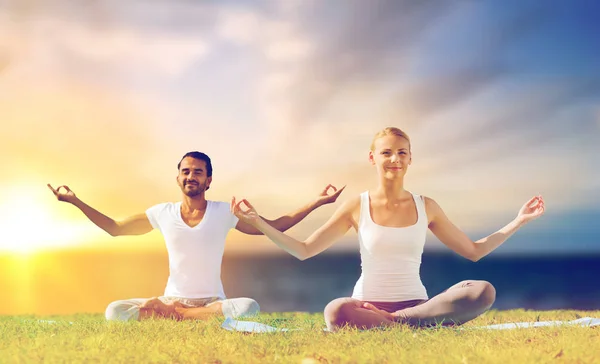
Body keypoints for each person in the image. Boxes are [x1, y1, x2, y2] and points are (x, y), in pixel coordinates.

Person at [231, 127, 545, 331]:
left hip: (418, 305)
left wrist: (518, 221)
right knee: (336, 311)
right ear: (372, 158)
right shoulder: (357, 205)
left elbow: (474, 252)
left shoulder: (427, 206)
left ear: (410, 159)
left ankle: (397, 322)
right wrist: (258, 222)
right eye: (386, 152)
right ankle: (415, 324)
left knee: (482, 290)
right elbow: (304, 250)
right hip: (366, 306)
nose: (394, 158)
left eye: (402, 152)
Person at [48, 151, 345, 321]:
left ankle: (175, 317)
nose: (192, 176)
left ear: (209, 180)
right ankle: (183, 315)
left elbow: (275, 226)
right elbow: (115, 227)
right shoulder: (162, 213)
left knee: (248, 308)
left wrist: (316, 202)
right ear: (178, 177)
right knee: (114, 311)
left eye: (198, 172)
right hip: (171, 297)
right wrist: (75, 201)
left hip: (213, 302)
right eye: (186, 171)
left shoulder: (225, 212)